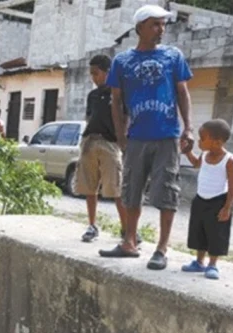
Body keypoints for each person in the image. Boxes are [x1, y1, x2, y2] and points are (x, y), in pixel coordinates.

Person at [99, 4, 195, 270]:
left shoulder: (173, 56)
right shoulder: (122, 61)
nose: (160, 30)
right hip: (136, 137)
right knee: (131, 190)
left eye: (163, 25)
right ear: (139, 27)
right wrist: (120, 135)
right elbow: (116, 102)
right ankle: (129, 242)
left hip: (166, 136)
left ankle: (162, 248)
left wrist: (188, 128)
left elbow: (183, 93)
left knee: (167, 191)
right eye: (155, 24)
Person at [76, 54, 126, 243]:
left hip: (110, 144)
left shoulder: (118, 93)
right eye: (91, 74)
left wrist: (123, 140)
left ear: (107, 72)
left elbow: (124, 118)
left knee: (116, 188)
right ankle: (92, 225)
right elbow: (89, 117)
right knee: (90, 186)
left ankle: (126, 229)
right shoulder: (93, 96)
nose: (93, 78)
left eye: (96, 73)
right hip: (90, 141)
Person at [181, 119, 233, 280]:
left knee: (216, 233)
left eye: (202, 138)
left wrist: (227, 208)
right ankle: (199, 262)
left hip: (218, 201)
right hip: (200, 199)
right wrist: (187, 152)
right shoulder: (205, 155)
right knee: (199, 231)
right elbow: (196, 164)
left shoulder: (229, 160)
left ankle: (212, 264)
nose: (199, 142)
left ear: (217, 142)